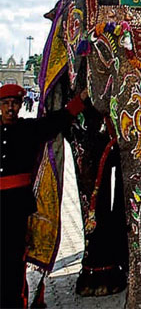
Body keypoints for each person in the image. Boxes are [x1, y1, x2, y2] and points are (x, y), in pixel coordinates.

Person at [1, 84, 86, 307]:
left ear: (20, 106)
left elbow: (60, 119)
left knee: (14, 264)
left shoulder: (28, 129)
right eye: (5, 104)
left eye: (14, 103)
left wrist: (82, 99)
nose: (10, 108)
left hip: (18, 209)